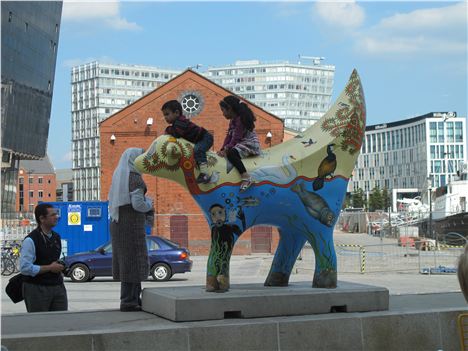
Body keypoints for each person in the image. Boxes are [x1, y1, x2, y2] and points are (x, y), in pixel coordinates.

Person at [108, 148, 154, 312]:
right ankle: (129, 301)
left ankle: (133, 298)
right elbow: (138, 204)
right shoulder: (135, 178)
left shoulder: (118, 176)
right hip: (131, 224)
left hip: (118, 222)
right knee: (133, 261)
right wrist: (150, 203)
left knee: (127, 261)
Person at [19, 203, 67, 312]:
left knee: (61, 322)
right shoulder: (30, 240)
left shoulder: (56, 237)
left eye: (56, 214)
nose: (57, 217)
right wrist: (50, 268)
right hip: (37, 288)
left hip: (58, 287)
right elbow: (25, 268)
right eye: (53, 215)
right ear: (42, 218)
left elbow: (54, 260)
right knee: (39, 323)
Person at [162, 100, 214, 184]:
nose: (165, 117)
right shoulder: (176, 123)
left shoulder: (180, 121)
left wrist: (167, 129)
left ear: (176, 112)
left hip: (205, 137)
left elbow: (177, 133)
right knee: (194, 152)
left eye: (167, 114)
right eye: (164, 115)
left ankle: (205, 174)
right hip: (199, 139)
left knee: (198, 150)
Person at [218, 95, 261, 192]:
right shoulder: (232, 121)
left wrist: (227, 149)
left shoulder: (240, 120)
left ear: (230, 109)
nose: (223, 114)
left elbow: (236, 138)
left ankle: (246, 177)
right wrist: (223, 148)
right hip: (241, 142)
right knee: (228, 151)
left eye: (223, 110)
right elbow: (229, 136)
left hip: (249, 143)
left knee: (232, 153)